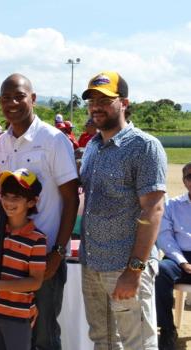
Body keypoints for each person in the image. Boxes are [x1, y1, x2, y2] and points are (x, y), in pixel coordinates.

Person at [79, 71, 167, 349]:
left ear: (124, 102)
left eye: (105, 99)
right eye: (92, 99)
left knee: (137, 343)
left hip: (125, 267)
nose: (96, 106)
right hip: (92, 265)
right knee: (102, 341)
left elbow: (153, 210)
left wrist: (135, 269)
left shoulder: (144, 146)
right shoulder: (94, 146)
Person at [0, 73, 78, 350]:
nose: (13, 103)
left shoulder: (53, 139)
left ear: (33, 98)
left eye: (19, 96)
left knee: (44, 337)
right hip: (12, 258)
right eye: (6, 98)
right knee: (17, 335)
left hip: (44, 259)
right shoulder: (1, 143)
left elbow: (71, 200)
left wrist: (57, 253)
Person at [0, 169, 46, 350]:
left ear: (32, 201)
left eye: (16, 197)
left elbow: (36, 281)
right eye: (5, 196)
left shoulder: (37, 239)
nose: (8, 202)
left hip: (17, 317)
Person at [155, 162, 191, 350]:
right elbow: (165, 237)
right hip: (179, 256)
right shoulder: (172, 205)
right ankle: (167, 329)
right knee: (160, 270)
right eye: (190, 177)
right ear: (184, 181)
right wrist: (183, 262)